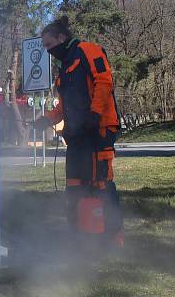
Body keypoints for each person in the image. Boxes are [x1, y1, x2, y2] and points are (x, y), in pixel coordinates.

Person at [34, 16, 123, 245]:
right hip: (76, 135)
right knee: (74, 184)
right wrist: (46, 119)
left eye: (49, 45)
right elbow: (63, 107)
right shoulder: (63, 71)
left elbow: (104, 82)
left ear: (62, 38)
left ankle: (112, 238)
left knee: (100, 182)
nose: (48, 51)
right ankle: (80, 235)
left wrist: (94, 115)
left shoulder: (89, 51)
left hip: (98, 130)